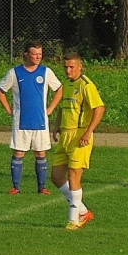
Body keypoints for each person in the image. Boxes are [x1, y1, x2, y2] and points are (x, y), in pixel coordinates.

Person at [0, 41, 63, 195]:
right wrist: (8, 109)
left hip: (40, 120)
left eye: (40, 54)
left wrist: (50, 108)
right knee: (19, 153)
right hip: (21, 121)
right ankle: (16, 187)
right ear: (26, 54)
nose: (38, 57)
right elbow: (0, 90)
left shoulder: (46, 72)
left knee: (41, 153)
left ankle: (42, 187)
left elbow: (59, 89)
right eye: (35, 54)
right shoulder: (14, 73)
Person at [50, 52, 105, 231]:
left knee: (74, 175)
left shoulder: (86, 85)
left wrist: (88, 132)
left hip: (80, 136)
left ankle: (73, 220)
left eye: (71, 67)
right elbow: (61, 108)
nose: (68, 70)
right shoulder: (64, 85)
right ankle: (83, 211)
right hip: (65, 135)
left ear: (80, 67)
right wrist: (56, 126)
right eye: (65, 67)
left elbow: (99, 108)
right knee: (56, 176)